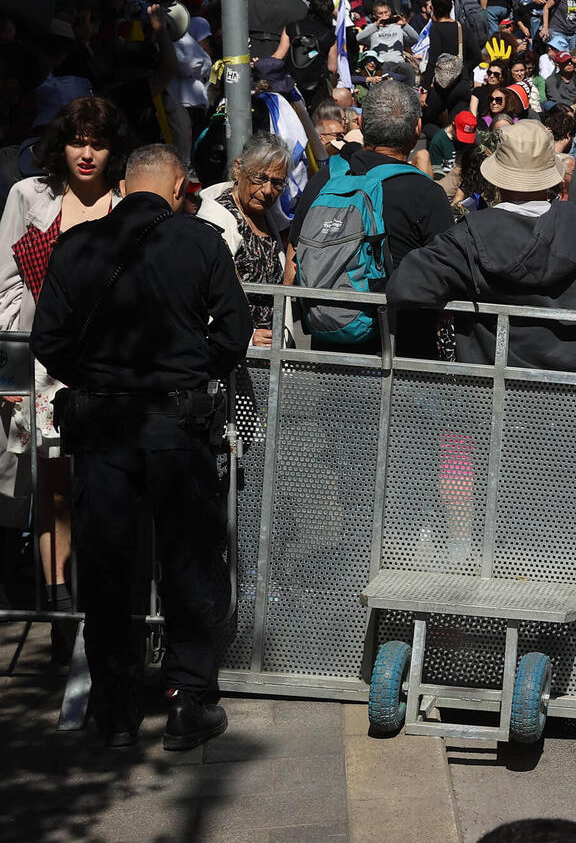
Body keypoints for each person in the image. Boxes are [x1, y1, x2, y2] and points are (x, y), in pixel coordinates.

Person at [31, 145, 250, 750]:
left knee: (106, 569)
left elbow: (48, 338)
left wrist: (97, 378)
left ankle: (116, 711)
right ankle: (187, 702)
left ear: (125, 186)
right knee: (187, 564)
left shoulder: (77, 245)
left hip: (103, 430)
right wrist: (188, 373)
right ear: (178, 187)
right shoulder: (202, 242)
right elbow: (233, 334)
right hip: (177, 428)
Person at [0, 96, 130, 619]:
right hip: (42, 366)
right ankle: (59, 602)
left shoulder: (126, 203)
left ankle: (95, 597)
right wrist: (13, 363)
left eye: (98, 144)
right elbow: (4, 284)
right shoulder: (28, 195)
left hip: (110, 367)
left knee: (102, 484)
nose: (87, 154)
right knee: (50, 484)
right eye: (78, 142)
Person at [387, 121, 576, 373]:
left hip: (490, 385)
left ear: (498, 177)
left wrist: (461, 288)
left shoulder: (470, 234)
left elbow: (404, 286)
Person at [288, 80, 455, 358]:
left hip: (329, 352)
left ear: (361, 123)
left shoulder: (325, 180)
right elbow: (447, 279)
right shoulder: (427, 194)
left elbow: (292, 271)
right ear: (417, 128)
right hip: (402, 355)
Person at [195, 132, 292, 349]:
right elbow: (202, 296)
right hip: (231, 351)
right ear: (238, 168)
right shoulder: (214, 223)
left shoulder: (268, 218)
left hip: (271, 351)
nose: (267, 190)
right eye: (260, 178)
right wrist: (247, 336)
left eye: (277, 183)